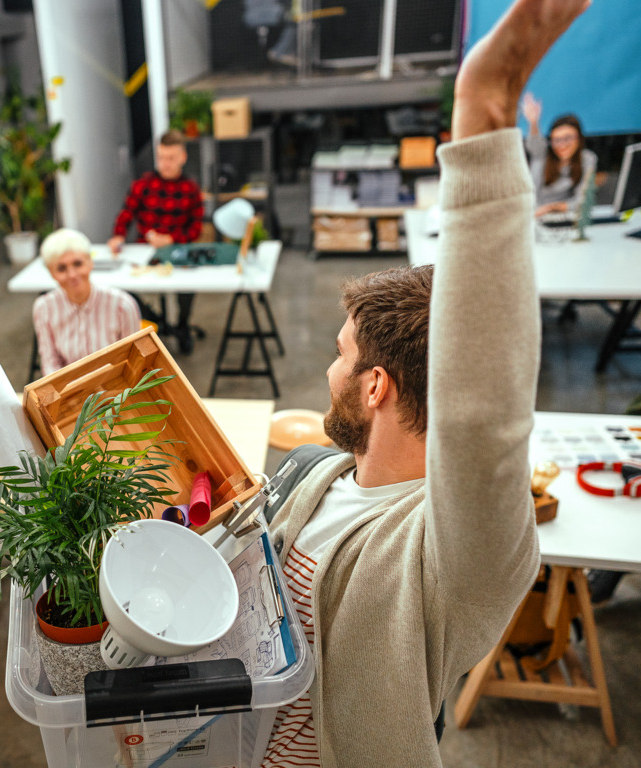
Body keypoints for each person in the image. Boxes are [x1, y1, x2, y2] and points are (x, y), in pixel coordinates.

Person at [260, 1, 590, 766]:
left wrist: (485, 108)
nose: (328, 370)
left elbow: (482, 415)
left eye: (342, 357)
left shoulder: (453, 556)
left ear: (376, 386)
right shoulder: (318, 473)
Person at [108, 129, 204, 354]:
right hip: (146, 253)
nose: (165, 163)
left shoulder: (190, 189)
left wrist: (171, 239)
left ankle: (182, 325)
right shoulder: (143, 185)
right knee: (123, 287)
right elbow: (126, 214)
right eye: (161, 157)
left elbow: (196, 228)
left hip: (178, 251)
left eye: (170, 158)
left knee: (188, 286)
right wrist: (118, 235)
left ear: (182, 157)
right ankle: (157, 321)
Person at [33, 228, 141, 376]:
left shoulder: (122, 305)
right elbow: (50, 363)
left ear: (90, 262)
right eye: (61, 268)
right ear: (51, 273)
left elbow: (134, 360)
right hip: (70, 391)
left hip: (116, 388)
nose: (72, 274)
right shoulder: (44, 308)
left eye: (77, 264)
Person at [522, 92, 597, 218]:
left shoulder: (587, 159)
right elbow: (534, 143)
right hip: (530, 215)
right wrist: (533, 123)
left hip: (562, 216)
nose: (562, 145)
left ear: (579, 139)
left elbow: (582, 200)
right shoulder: (543, 154)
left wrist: (550, 208)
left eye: (568, 138)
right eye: (556, 140)